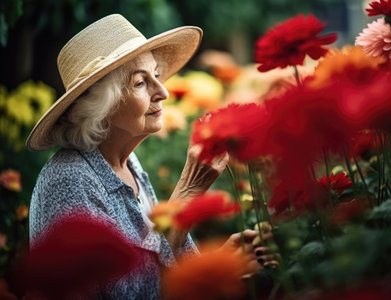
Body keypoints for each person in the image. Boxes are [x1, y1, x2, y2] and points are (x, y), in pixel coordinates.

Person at [27, 14, 276, 299]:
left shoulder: (128, 164)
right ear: (101, 105)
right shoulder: (69, 180)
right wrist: (187, 194)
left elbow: (163, 270)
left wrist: (218, 265)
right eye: (140, 83)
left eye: (156, 76)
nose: (164, 92)